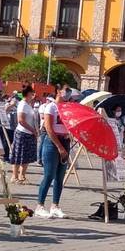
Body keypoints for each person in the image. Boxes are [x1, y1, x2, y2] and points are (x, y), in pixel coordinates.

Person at [35, 86, 70, 219]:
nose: (67, 93)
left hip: (65, 140)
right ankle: (40, 206)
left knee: (60, 177)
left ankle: (55, 205)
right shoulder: (51, 107)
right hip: (52, 142)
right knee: (49, 175)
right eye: (65, 89)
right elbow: (48, 128)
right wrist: (59, 147)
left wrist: (69, 134)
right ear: (58, 91)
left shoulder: (67, 107)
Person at [10, 85, 37, 183]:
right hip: (22, 132)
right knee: (18, 155)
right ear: (28, 93)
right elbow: (21, 120)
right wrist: (32, 130)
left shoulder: (28, 104)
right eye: (32, 92)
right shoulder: (22, 104)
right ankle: (14, 175)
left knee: (26, 155)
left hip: (29, 133)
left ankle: (22, 175)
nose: (33, 94)